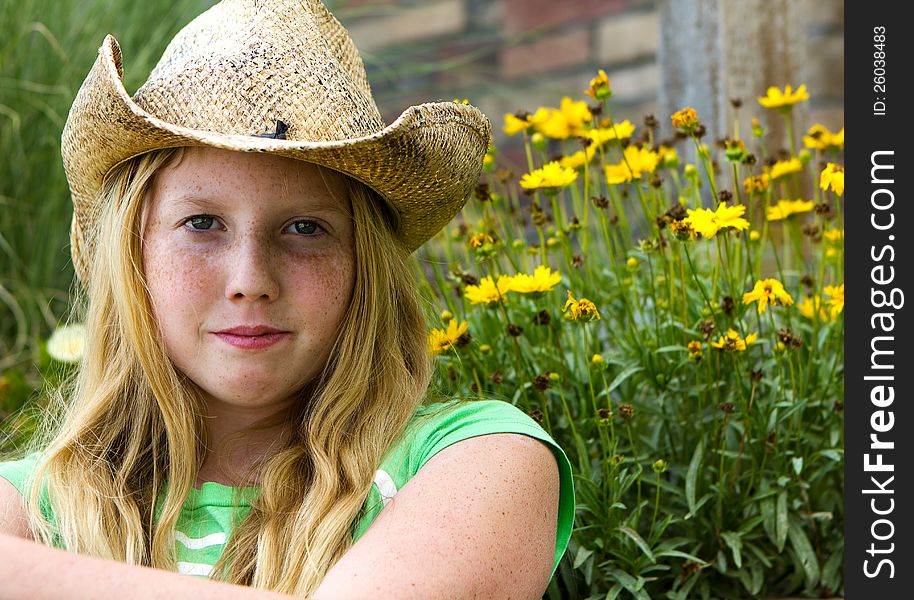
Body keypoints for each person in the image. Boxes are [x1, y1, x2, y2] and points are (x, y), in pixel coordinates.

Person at [0, 1, 575, 598]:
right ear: (134, 253)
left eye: (304, 228)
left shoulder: (477, 459)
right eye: (202, 223)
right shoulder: (30, 504)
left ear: (364, 265)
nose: (251, 279)